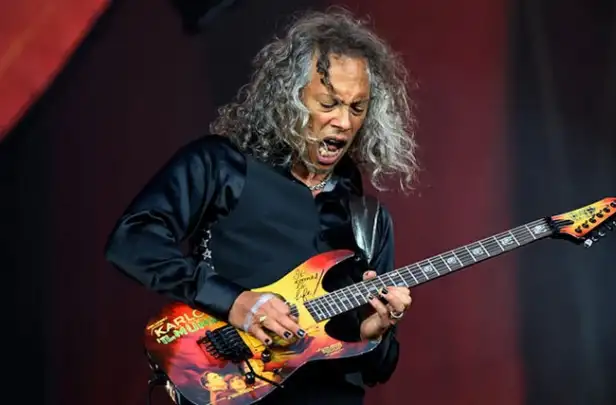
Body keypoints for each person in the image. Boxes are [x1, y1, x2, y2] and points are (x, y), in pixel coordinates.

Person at [104, 7, 419, 405]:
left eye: (357, 108)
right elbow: (132, 240)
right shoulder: (222, 165)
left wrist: (375, 332)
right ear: (290, 99)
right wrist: (233, 301)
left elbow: (377, 369)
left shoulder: (368, 220)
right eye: (328, 103)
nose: (343, 122)